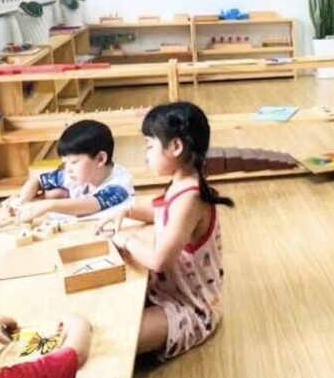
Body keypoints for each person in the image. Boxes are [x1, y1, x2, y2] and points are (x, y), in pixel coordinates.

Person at [96, 102, 232, 359]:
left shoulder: (190, 197)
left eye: (149, 146)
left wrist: (125, 238)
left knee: (115, 341)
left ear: (176, 146)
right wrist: (126, 210)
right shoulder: (180, 184)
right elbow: (159, 211)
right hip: (164, 293)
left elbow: (159, 261)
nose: (146, 155)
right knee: (105, 317)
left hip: (190, 309)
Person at [4, 120, 133, 224]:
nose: (68, 169)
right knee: (54, 193)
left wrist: (46, 206)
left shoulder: (120, 186)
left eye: (74, 162)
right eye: (65, 163)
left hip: (104, 233)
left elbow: (90, 205)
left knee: (53, 197)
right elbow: (37, 180)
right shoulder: (76, 173)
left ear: (100, 159)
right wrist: (21, 202)